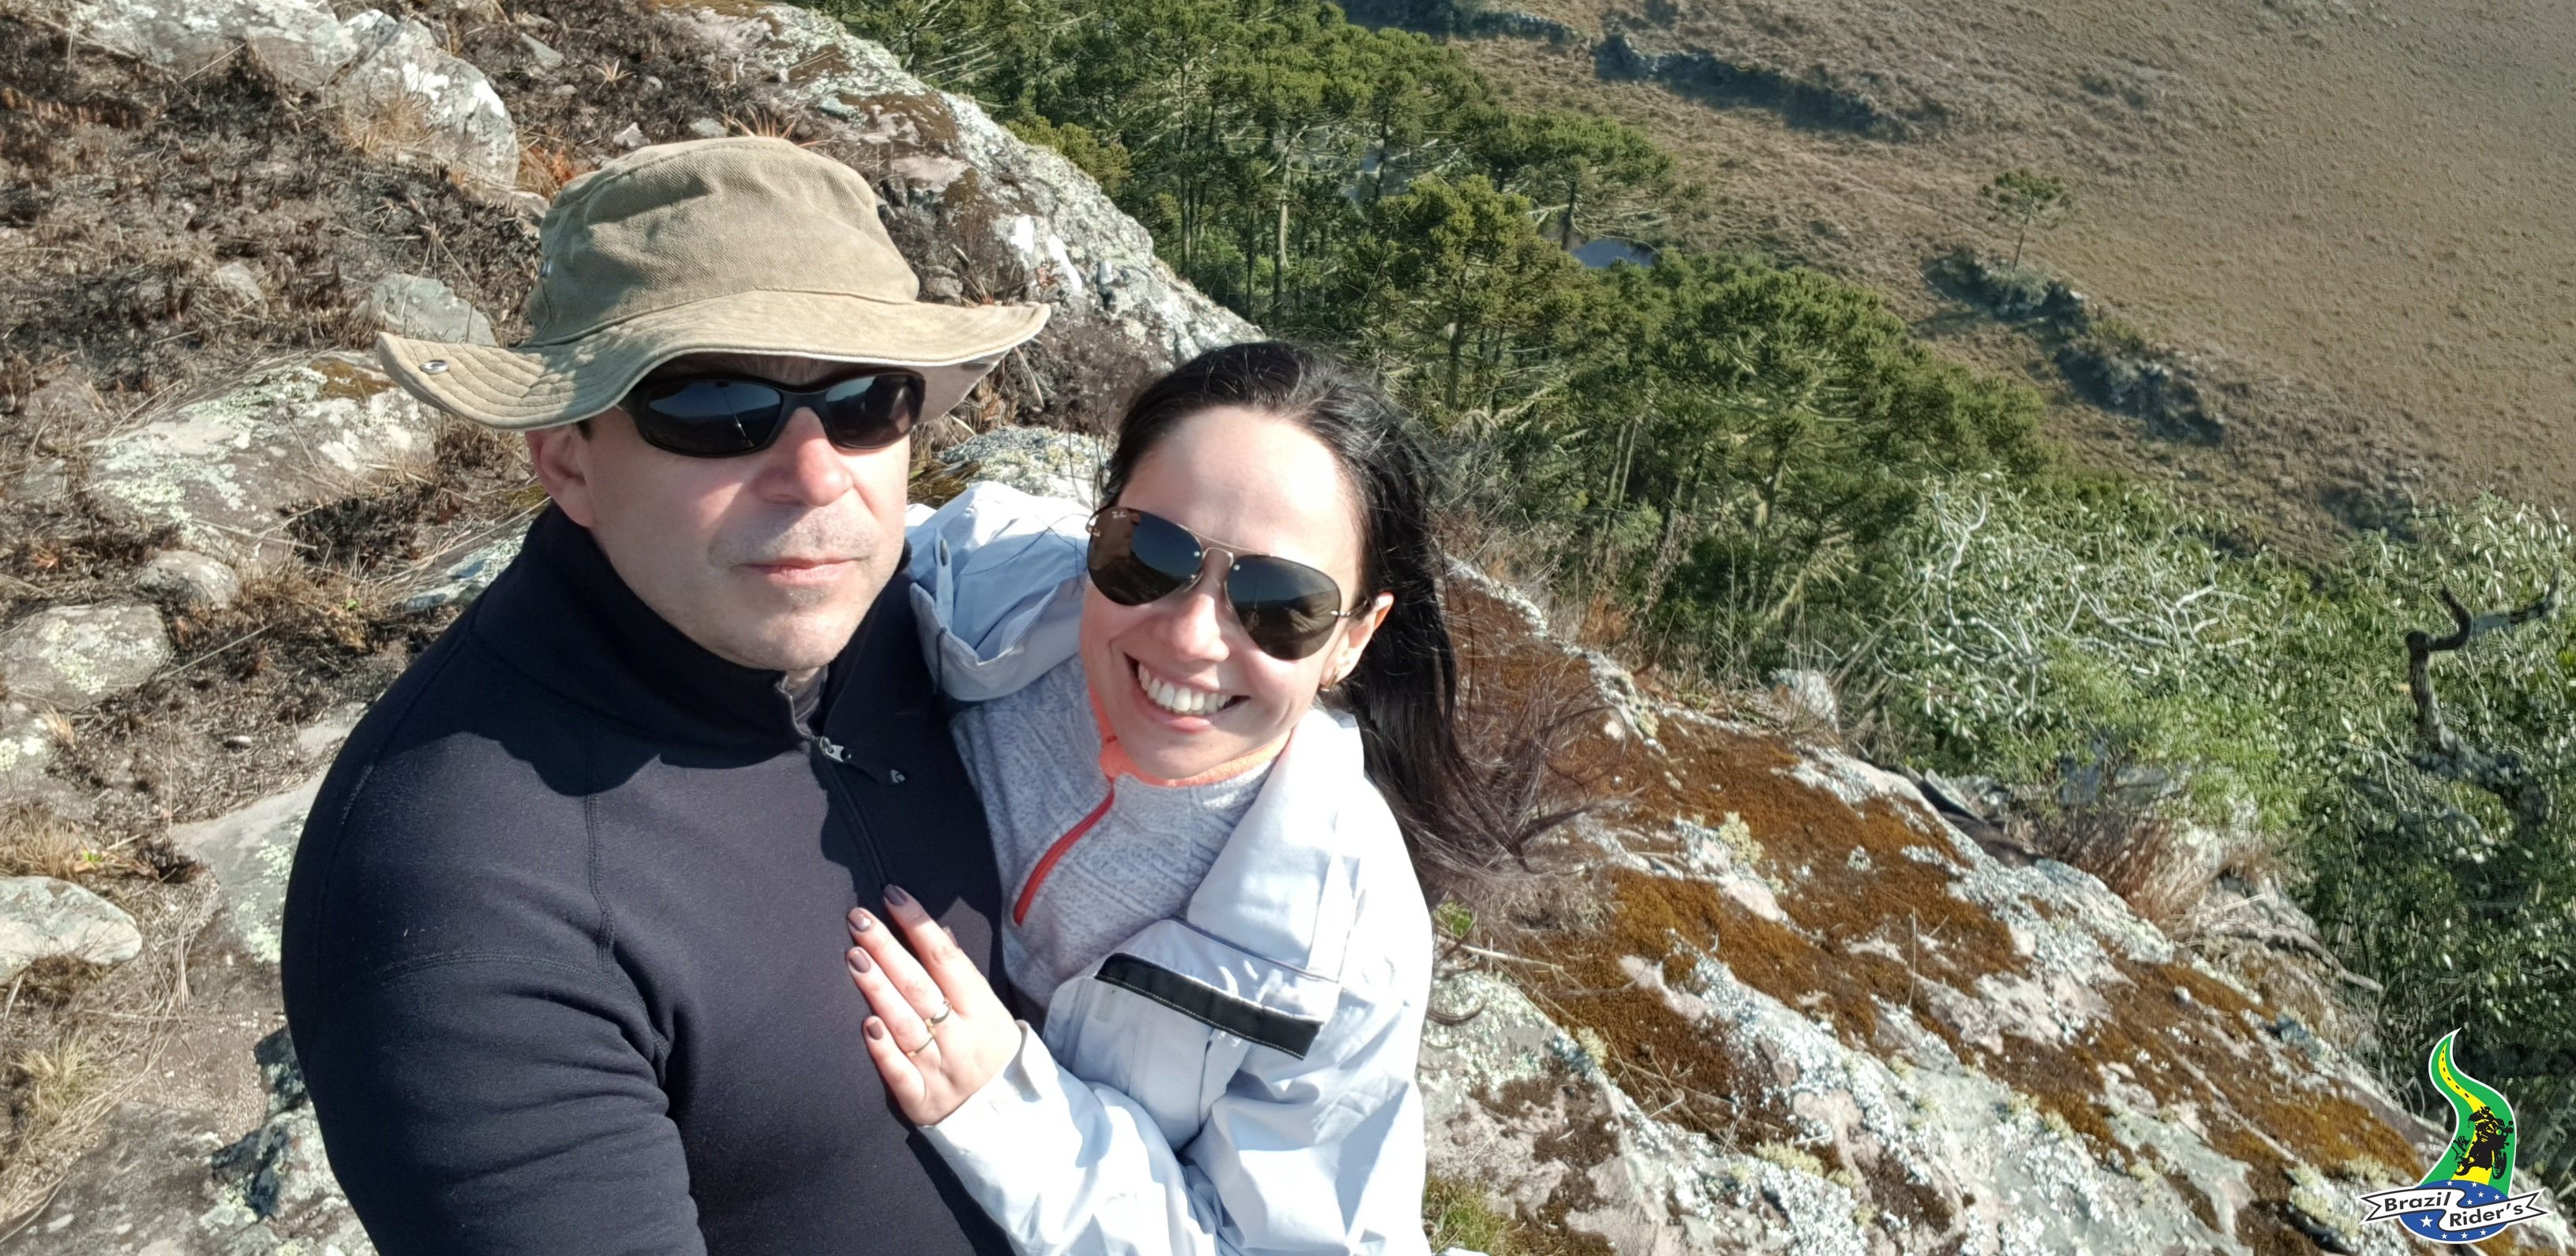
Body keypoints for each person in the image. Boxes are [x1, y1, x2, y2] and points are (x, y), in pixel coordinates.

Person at [279, 136, 1050, 1254]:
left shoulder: (920, 623)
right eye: (717, 406)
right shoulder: (465, 897)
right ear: (568, 460)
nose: (815, 474)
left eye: (864, 400)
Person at [840, 342, 1506, 1253]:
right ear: (1099, 526)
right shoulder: (969, 583)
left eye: (1280, 602)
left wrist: (1009, 1109)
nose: (1192, 636)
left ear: (1355, 637)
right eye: (1150, 552)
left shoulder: (1348, 947)